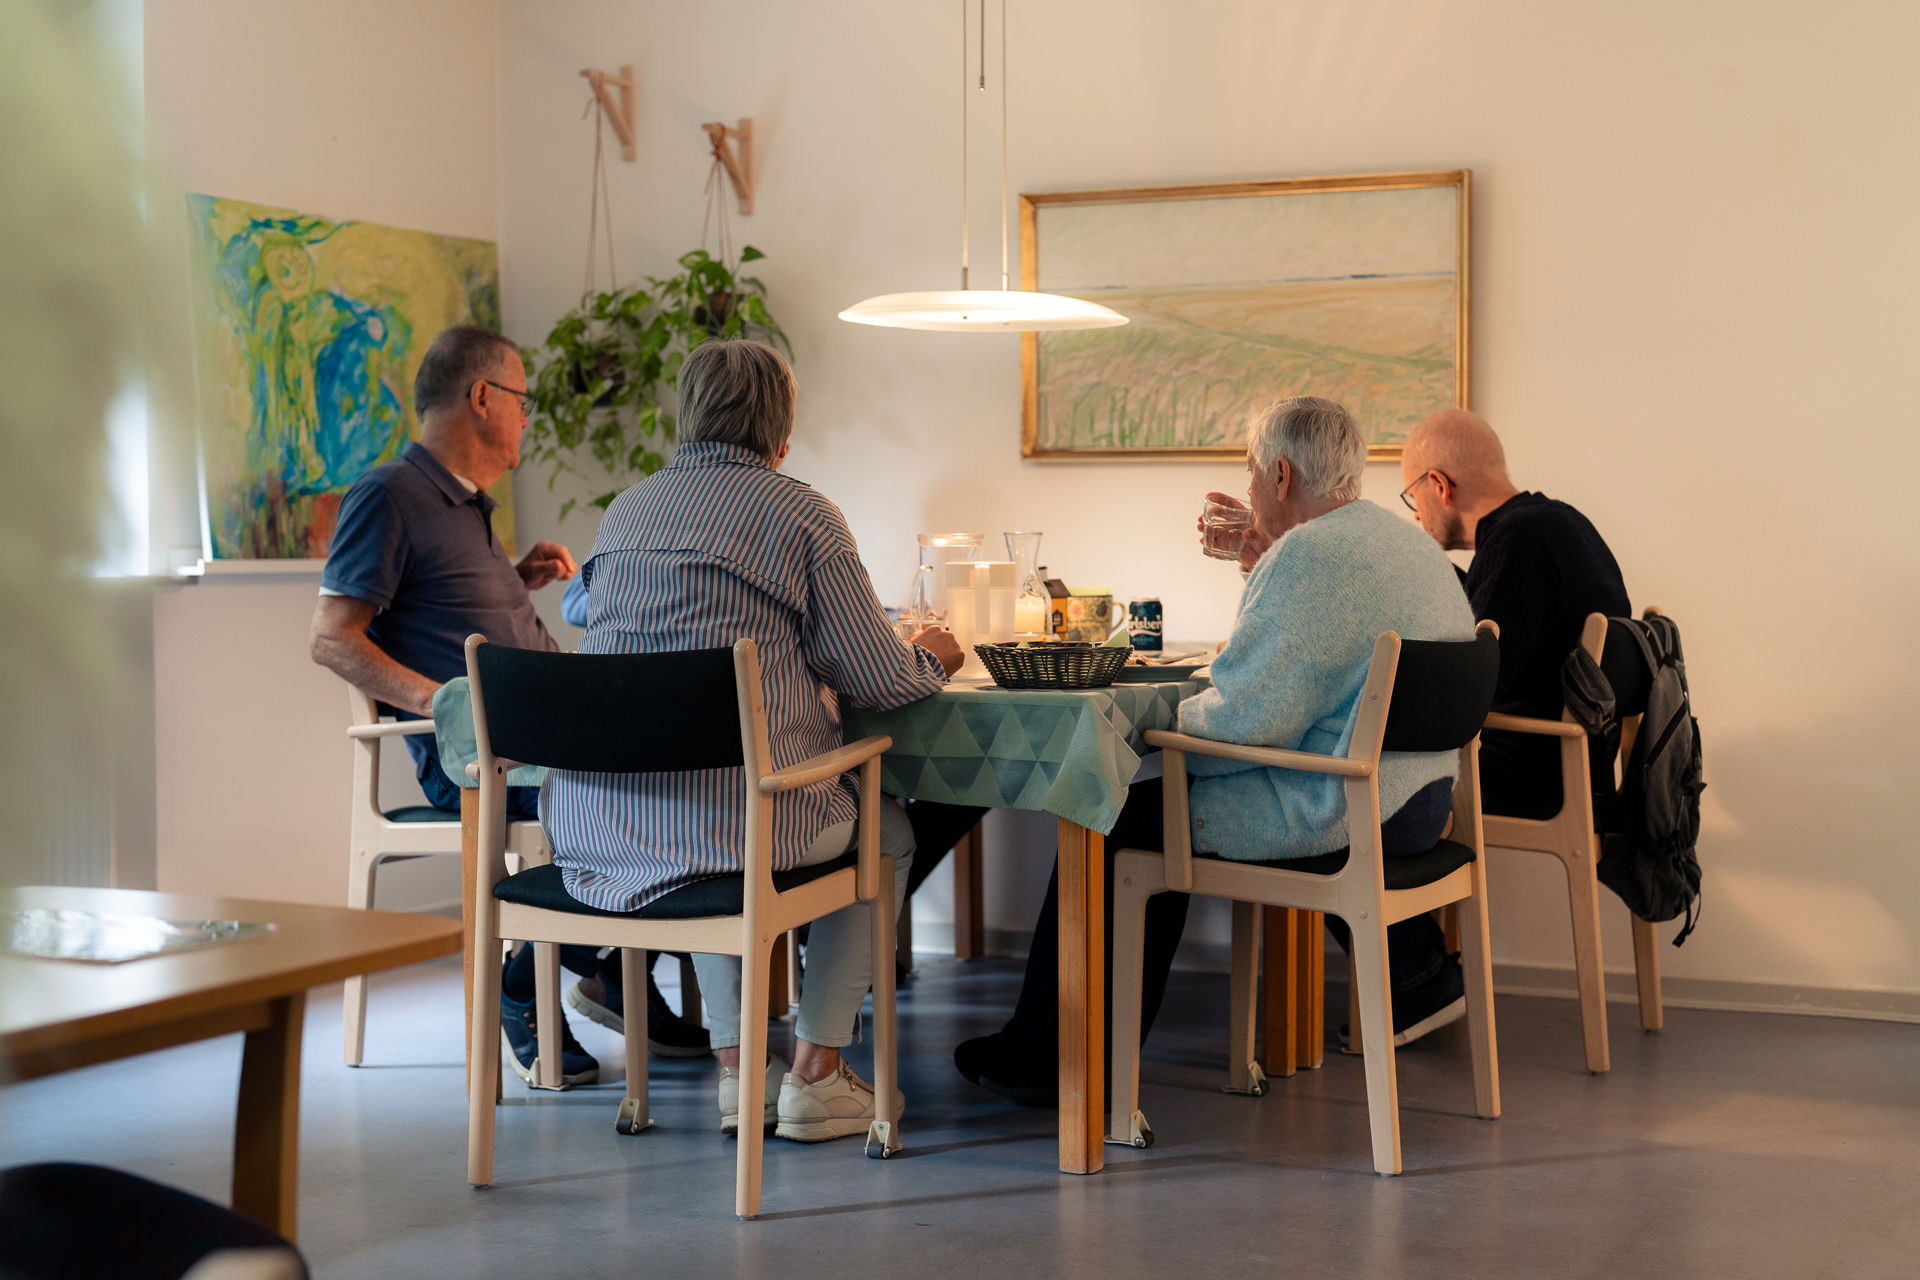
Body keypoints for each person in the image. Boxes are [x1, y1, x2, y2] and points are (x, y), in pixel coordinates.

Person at [955, 396, 1476, 1103]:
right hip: (1418, 802)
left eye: (1253, 472)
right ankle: (1069, 1050)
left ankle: (1054, 1062)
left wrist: (1157, 732)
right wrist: (1263, 564)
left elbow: (1243, 723)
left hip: (1339, 806)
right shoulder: (1405, 544)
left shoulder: (1311, 555)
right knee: (1146, 806)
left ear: (1281, 475)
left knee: (1110, 815)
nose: (1251, 490)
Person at [541, 338, 967, 1142]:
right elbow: (878, 679)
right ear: (782, 430)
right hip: (739, 823)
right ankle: (817, 1074)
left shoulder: (626, 511)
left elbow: (585, 613)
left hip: (607, 822)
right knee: (882, 830)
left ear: (685, 413)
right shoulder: (802, 514)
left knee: (709, 817)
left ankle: (741, 1074)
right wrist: (932, 655)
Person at [308, 324, 708, 1089]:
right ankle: (539, 980)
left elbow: (437, 605)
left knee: (696, 768)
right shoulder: (388, 494)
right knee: (659, 793)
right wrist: (444, 701)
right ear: (483, 397)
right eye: (524, 400)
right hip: (480, 754)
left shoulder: (467, 506)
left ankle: (599, 970)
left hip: (546, 732)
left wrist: (513, 579)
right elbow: (331, 638)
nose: (529, 416)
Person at [1384, 408, 1631, 1020]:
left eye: (1413, 498)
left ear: (1439, 485)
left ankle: (1421, 981)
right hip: (1574, 764)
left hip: (1531, 773)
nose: (1416, 515)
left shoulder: (1519, 541)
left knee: (1365, 793)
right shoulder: (1554, 523)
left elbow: (1471, 681)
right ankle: (1422, 975)